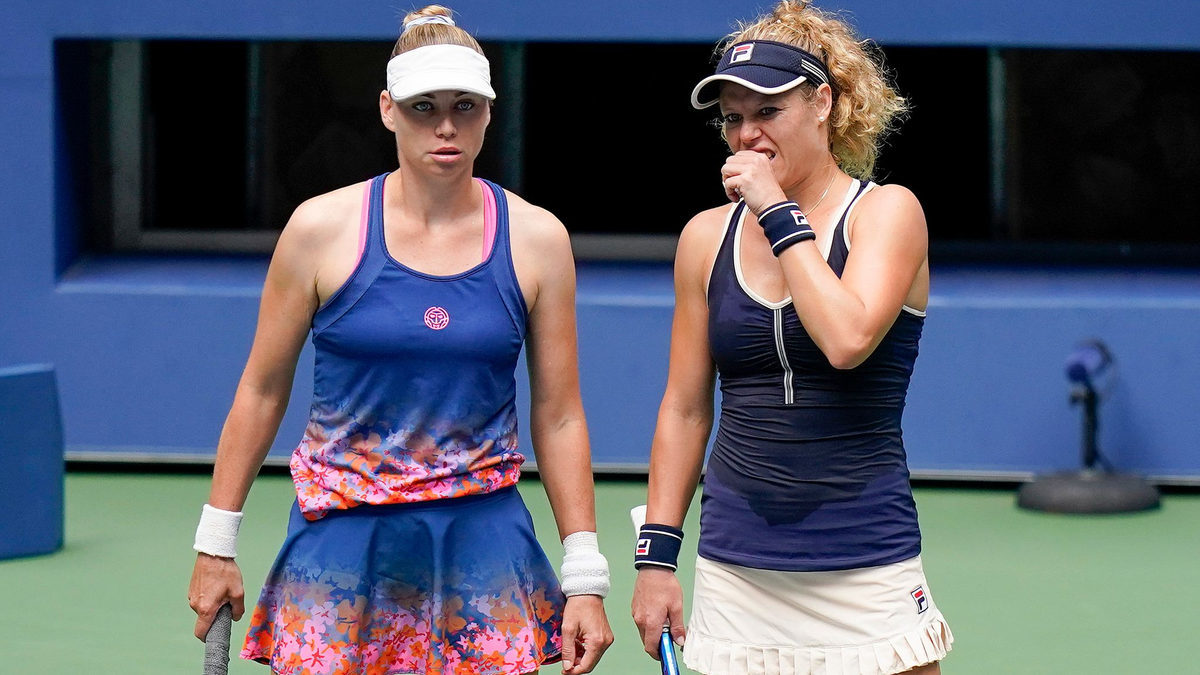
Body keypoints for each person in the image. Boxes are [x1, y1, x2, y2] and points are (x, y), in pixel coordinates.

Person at [187, 6, 614, 674]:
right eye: (423, 107)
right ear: (388, 109)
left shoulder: (539, 240)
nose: (445, 126)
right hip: (341, 542)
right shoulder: (317, 231)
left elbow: (559, 414)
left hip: (484, 541)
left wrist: (585, 573)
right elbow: (262, 389)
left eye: (464, 106)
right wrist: (216, 544)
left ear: (489, 111)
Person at [630, 2, 953, 674]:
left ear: (824, 105)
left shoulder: (889, 213)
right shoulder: (703, 239)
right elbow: (686, 407)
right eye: (733, 118)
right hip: (736, 565)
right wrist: (657, 560)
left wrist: (777, 209)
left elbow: (846, 336)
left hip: (867, 558)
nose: (747, 135)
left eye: (767, 112)